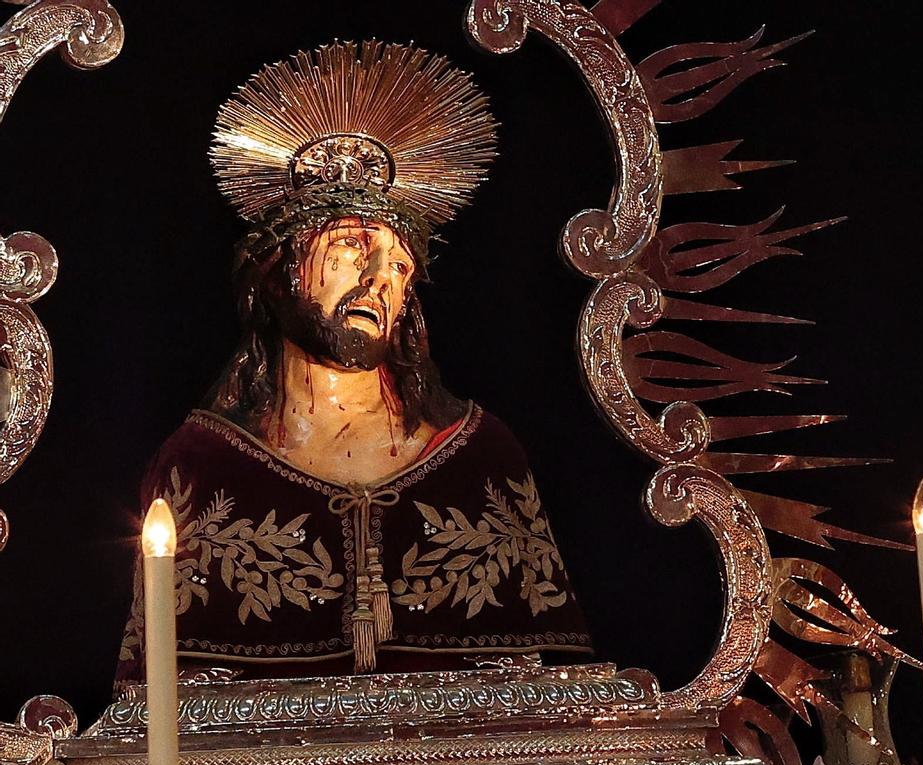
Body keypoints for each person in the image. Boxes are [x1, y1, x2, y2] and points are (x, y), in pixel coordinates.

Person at [115, 42, 591, 680]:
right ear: (274, 276)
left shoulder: (481, 460)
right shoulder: (202, 470)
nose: (378, 278)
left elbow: (552, 694)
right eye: (347, 247)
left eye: (398, 265)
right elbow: (154, 715)